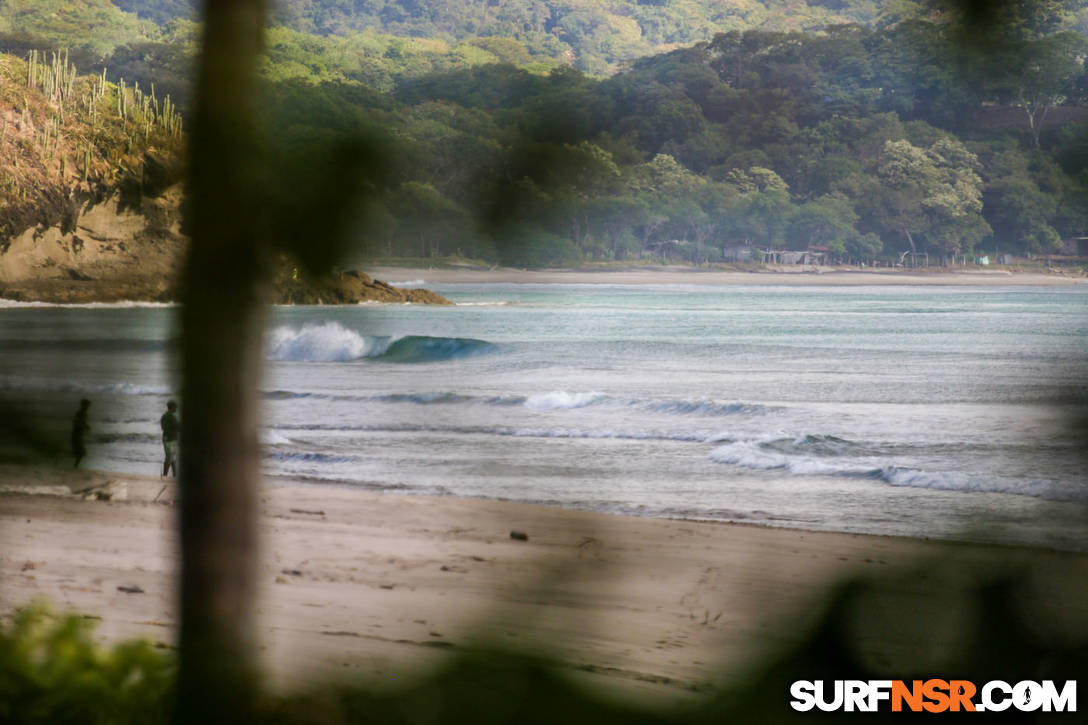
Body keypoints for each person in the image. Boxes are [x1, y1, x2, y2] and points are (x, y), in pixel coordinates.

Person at [161, 400, 180, 478]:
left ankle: (174, 475)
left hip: (166, 438)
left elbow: (163, 427)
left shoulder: (164, 416)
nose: (176, 409)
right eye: (175, 407)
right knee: (170, 457)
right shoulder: (171, 417)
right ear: (172, 407)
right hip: (171, 440)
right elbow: (178, 427)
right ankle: (167, 475)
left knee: (171, 457)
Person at [71, 398, 91, 468]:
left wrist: (85, 426)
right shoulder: (81, 413)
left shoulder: (82, 413)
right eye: (87, 405)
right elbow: (77, 422)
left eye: (88, 406)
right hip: (77, 434)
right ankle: (75, 466)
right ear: (83, 405)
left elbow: (79, 422)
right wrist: (84, 426)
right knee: (81, 452)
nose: (88, 407)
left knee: (79, 452)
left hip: (78, 433)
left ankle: (75, 465)